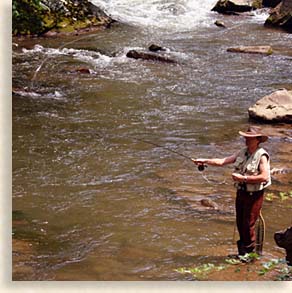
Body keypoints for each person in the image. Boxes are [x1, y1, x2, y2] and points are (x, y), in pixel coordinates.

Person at [192, 126, 271, 256]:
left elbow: (265, 176)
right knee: (240, 223)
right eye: (246, 137)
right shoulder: (243, 151)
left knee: (248, 224)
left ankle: (249, 255)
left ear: (257, 140)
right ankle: (243, 253)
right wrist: (204, 160)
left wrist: (243, 178)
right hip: (241, 192)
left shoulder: (261, 155)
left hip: (254, 195)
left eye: (249, 138)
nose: (246, 140)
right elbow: (223, 161)